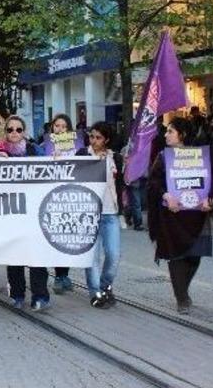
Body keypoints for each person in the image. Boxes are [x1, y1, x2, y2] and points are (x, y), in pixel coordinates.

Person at [147, 117, 213, 314]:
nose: (166, 135)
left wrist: (210, 198)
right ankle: (181, 297)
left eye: (171, 131)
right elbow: (153, 183)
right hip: (172, 214)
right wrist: (166, 195)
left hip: (196, 215)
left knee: (194, 257)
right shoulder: (163, 157)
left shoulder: (201, 156)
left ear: (182, 135)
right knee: (176, 256)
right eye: (167, 131)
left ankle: (182, 289)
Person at [0, 116, 51, 311]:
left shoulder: (35, 150)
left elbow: (50, 168)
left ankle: (40, 295)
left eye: (18, 129)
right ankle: (17, 294)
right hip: (10, 211)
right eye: (10, 129)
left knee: (37, 254)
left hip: (34, 211)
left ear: (24, 132)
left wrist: (57, 158)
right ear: (5, 132)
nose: (14, 133)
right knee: (14, 255)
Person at [76, 122, 123, 309]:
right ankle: (95, 292)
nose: (94, 141)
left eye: (98, 137)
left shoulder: (115, 157)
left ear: (106, 140)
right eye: (91, 136)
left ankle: (105, 286)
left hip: (110, 212)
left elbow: (121, 183)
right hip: (89, 213)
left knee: (114, 254)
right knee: (92, 257)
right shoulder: (82, 154)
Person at [49, 113, 75, 294]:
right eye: (57, 126)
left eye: (64, 127)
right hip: (51, 200)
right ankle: (59, 276)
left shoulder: (76, 149)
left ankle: (64, 274)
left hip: (70, 199)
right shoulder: (44, 148)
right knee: (56, 239)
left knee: (68, 239)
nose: (60, 129)